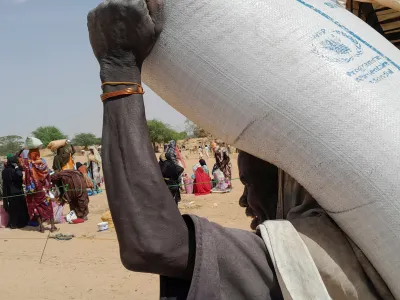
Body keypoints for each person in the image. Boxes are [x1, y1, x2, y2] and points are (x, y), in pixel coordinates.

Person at [87, 3, 392, 299]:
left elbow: (154, 245)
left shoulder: (326, 248)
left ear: (291, 182)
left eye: (248, 183)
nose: (244, 201)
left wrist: (119, 68)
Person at [24, 148, 56, 233]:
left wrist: (29, 188)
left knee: (36, 208)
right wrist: (48, 185)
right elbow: (47, 174)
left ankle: (41, 227)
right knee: (48, 206)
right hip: (44, 189)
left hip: (34, 190)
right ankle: (52, 226)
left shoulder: (28, 164)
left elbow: (27, 178)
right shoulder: (43, 162)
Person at [1, 155, 29, 229]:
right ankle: (20, 223)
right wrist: (17, 168)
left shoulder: (4, 171)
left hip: (9, 192)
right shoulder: (15, 171)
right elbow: (20, 175)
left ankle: (12, 224)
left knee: (12, 209)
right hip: (17, 192)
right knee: (20, 208)